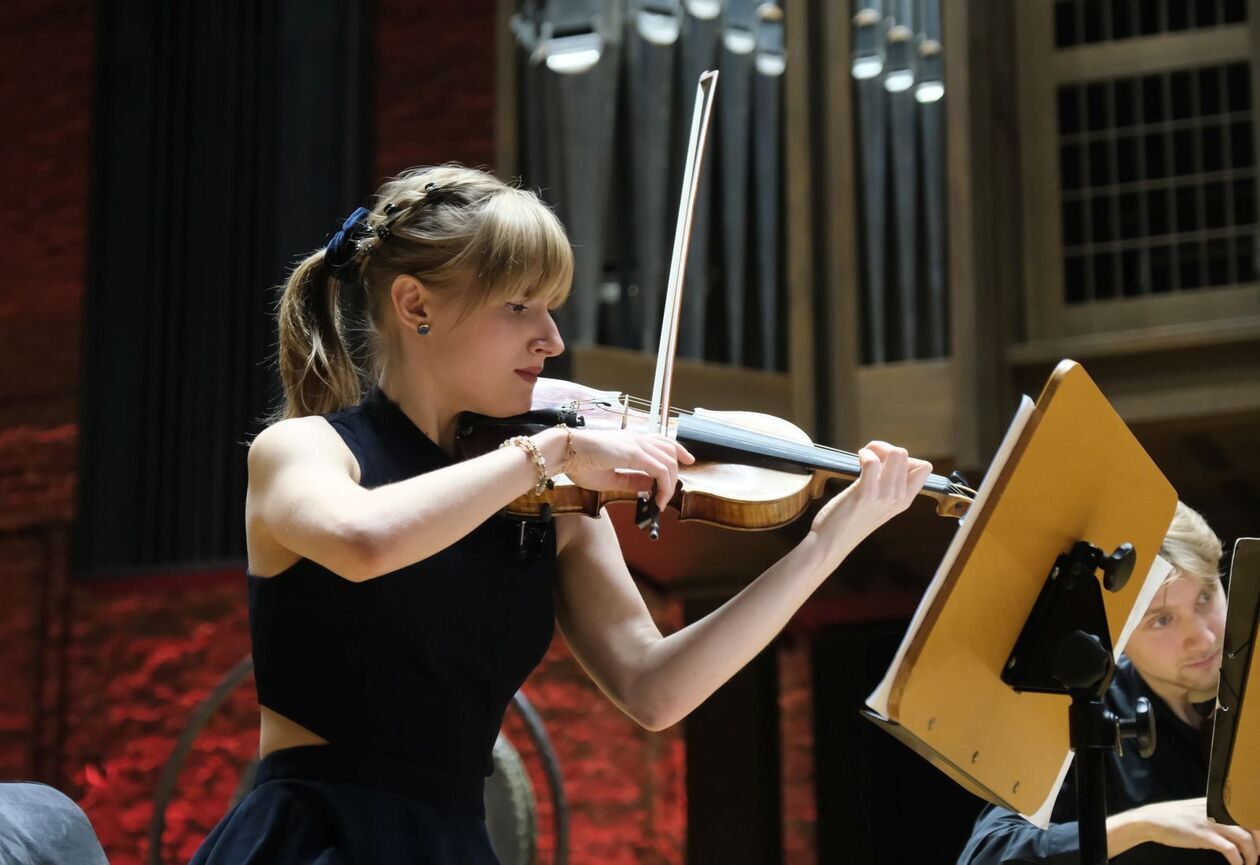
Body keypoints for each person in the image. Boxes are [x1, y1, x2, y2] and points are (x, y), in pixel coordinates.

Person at [189, 164, 933, 863]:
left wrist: (827, 544)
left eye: (549, 309)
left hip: (452, 840)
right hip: (314, 838)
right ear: (415, 303)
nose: (553, 340)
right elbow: (363, 538)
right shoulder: (305, 451)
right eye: (519, 307)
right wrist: (555, 451)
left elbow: (654, 686)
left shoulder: (553, 499)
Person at [958, 502, 1260, 865]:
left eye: (1205, 597)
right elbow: (987, 854)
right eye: (1162, 620)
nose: (1204, 637)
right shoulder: (1087, 713)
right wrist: (1142, 825)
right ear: (1118, 634)